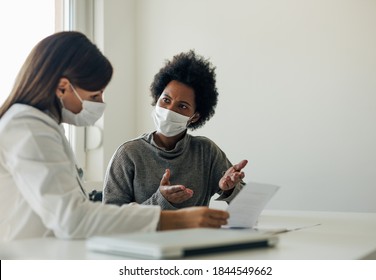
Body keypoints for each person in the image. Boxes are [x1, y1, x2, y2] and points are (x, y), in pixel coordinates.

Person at [0, 32, 229, 242]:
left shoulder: (44, 128)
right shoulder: (28, 127)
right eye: (95, 94)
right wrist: (178, 220)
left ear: (195, 116)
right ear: (62, 88)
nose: (100, 103)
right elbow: (72, 219)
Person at [103, 50, 248, 210]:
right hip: (145, 236)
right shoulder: (129, 154)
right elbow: (111, 218)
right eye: (166, 100)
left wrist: (231, 189)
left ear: (195, 116)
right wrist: (161, 200)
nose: (169, 110)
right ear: (157, 98)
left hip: (197, 235)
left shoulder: (206, 152)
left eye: (182, 106)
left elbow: (247, 205)